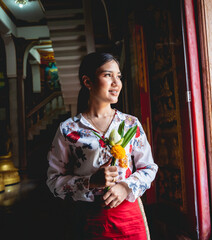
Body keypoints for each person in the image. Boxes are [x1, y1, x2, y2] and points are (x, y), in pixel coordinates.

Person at [46, 52, 158, 239]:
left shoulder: (130, 124)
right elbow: (53, 181)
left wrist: (125, 187)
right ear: (88, 82)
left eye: (119, 76)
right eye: (108, 75)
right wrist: (90, 182)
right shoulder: (68, 129)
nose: (117, 82)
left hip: (129, 218)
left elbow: (148, 168)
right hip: (89, 220)